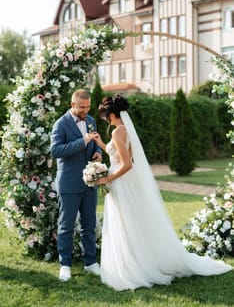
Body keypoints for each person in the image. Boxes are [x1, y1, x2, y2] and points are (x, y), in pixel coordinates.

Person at [92, 94, 232, 291]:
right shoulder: (124, 130)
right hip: (124, 182)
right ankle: (135, 260)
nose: (104, 119)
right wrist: (100, 144)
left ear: (112, 114)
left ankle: (133, 266)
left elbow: (126, 165)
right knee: (129, 221)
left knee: (126, 221)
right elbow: (117, 155)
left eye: (105, 115)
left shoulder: (117, 133)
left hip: (121, 181)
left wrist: (107, 178)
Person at [50, 89, 102, 282]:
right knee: (66, 226)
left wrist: (98, 152)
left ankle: (90, 262)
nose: (85, 111)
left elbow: (95, 143)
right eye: (82, 107)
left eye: (88, 107)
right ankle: (65, 264)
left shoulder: (91, 120)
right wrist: (83, 141)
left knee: (89, 225)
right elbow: (55, 150)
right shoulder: (60, 124)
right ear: (72, 105)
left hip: (90, 183)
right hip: (69, 183)